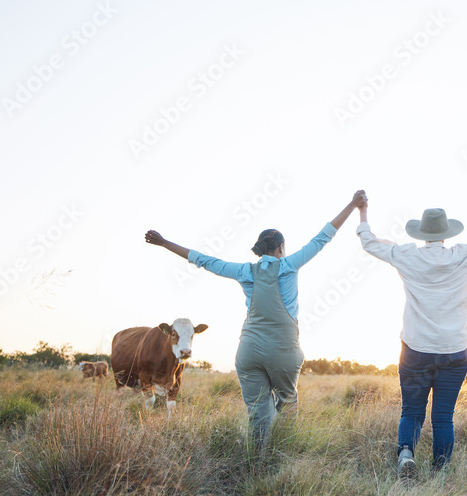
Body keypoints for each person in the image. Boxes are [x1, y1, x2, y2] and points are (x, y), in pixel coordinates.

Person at [144, 190, 366, 450]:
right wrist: (352, 205)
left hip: (248, 351)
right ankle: (280, 456)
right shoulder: (289, 264)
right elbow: (323, 236)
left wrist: (164, 242)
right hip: (283, 349)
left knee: (258, 412)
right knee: (287, 401)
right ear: (282, 248)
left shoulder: (244, 271)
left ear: (260, 249)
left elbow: (203, 260)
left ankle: (256, 460)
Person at [356, 187, 467, 481]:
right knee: (443, 417)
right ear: (446, 233)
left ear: (422, 234)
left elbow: (369, 243)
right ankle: (440, 473)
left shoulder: (406, 254)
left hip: (416, 349)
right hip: (454, 350)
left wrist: (362, 212)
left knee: (411, 411)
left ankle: (407, 455)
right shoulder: (464, 254)